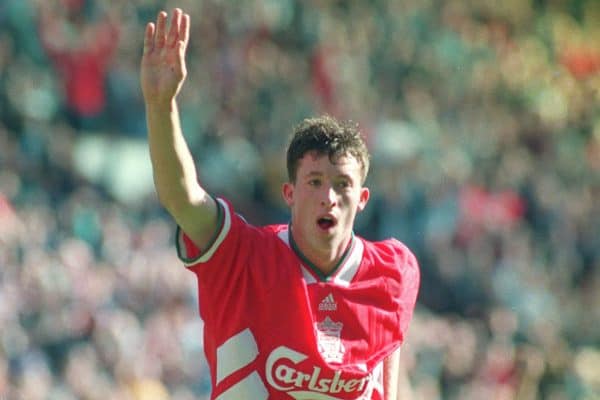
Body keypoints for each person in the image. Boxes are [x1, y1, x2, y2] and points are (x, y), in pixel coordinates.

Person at [140, 8, 420, 400]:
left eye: (343, 185)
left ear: (362, 200)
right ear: (289, 193)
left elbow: (388, 375)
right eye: (315, 182)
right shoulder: (241, 256)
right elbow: (181, 196)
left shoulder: (394, 271)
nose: (329, 197)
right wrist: (160, 105)